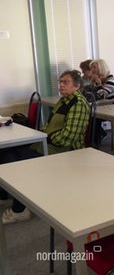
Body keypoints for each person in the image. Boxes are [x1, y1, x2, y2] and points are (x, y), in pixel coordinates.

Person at [0, 70, 90, 223]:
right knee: (7, 153)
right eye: (60, 82)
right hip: (49, 146)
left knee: (13, 161)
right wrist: (40, 135)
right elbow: (49, 128)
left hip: (66, 153)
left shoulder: (79, 104)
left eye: (65, 82)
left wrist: (46, 137)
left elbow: (68, 137)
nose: (61, 85)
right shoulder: (63, 101)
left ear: (77, 85)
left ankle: (20, 209)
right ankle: (7, 194)